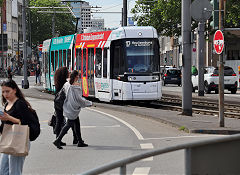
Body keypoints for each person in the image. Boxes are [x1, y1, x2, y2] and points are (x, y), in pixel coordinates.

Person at [0, 79, 33, 175]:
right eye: (3, 92)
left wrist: (8, 117)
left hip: (20, 139)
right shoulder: (7, 104)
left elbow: (26, 123)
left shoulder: (20, 104)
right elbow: (5, 125)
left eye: (7, 91)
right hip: (9, 139)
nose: (5, 94)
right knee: (3, 171)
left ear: (14, 90)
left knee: (15, 172)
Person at [53, 70, 92, 149]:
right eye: (78, 76)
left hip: (67, 106)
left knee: (76, 123)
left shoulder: (67, 84)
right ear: (76, 77)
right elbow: (79, 100)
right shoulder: (74, 87)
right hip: (72, 109)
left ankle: (79, 141)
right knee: (69, 124)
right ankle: (58, 140)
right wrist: (90, 103)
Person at [53, 67, 77, 146]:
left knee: (59, 120)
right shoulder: (65, 83)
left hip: (57, 103)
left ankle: (58, 138)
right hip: (64, 103)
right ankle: (75, 138)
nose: (69, 73)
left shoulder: (58, 81)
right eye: (67, 72)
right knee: (72, 119)